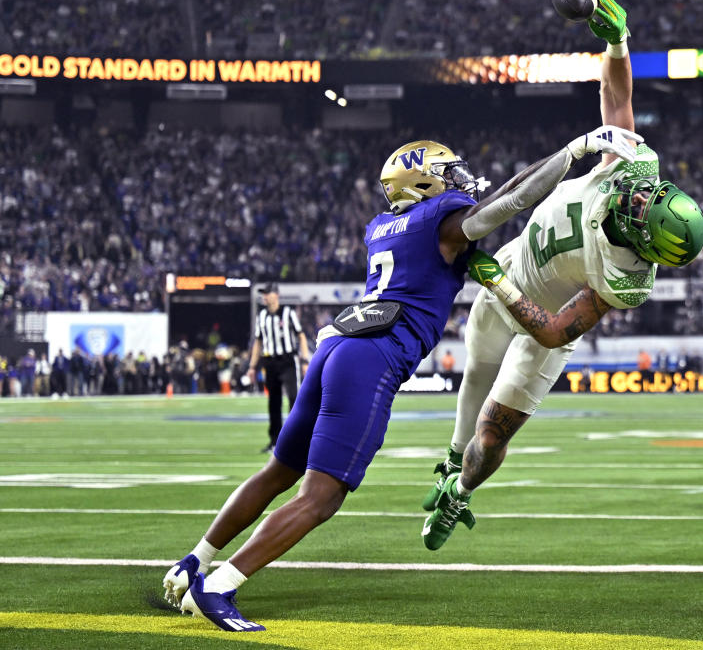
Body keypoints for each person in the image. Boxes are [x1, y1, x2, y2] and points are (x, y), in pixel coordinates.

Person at [161, 118, 641, 632]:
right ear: (424, 182)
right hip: (373, 357)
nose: (459, 180)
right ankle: (220, 586)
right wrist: (577, 149)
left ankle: (196, 559)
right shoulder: (442, 218)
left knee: (280, 471)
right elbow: (509, 201)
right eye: (448, 173)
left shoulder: (382, 226)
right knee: (321, 496)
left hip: (336, 345)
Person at [420, 0, 703, 550]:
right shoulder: (637, 167)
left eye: (645, 210)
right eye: (651, 195)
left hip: (540, 321)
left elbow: (553, 331)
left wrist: (496, 282)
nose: (639, 197)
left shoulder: (628, 279)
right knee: (474, 373)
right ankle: (449, 462)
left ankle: (461, 492)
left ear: (646, 243)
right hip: (511, 270)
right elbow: (614, 94)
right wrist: (618, 38)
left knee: (493, 434)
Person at [247, 283, 311, 453]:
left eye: (267, 293)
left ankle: (296, 438)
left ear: (276, 295)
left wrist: (305, 360)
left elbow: (301, 336)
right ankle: (275, 441)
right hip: (270, 362)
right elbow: (258, 342)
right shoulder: (262, 316)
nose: (264, 297)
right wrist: (252, 366)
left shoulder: (288, 313)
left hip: (287, 360)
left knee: (293, 398)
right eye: (263, 294)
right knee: (273, 402)